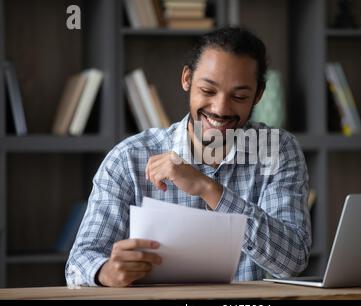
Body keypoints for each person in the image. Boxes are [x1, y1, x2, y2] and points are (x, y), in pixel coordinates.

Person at [66, 27, 311, 287]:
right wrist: (106, 271)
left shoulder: (277, 150)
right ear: (187, 79)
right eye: (208, 91)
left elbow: (292, 261)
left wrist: (209, 189)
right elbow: (79, 262)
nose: (220, 109)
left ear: (258, 95)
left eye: (239, 96)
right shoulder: (128, 158)